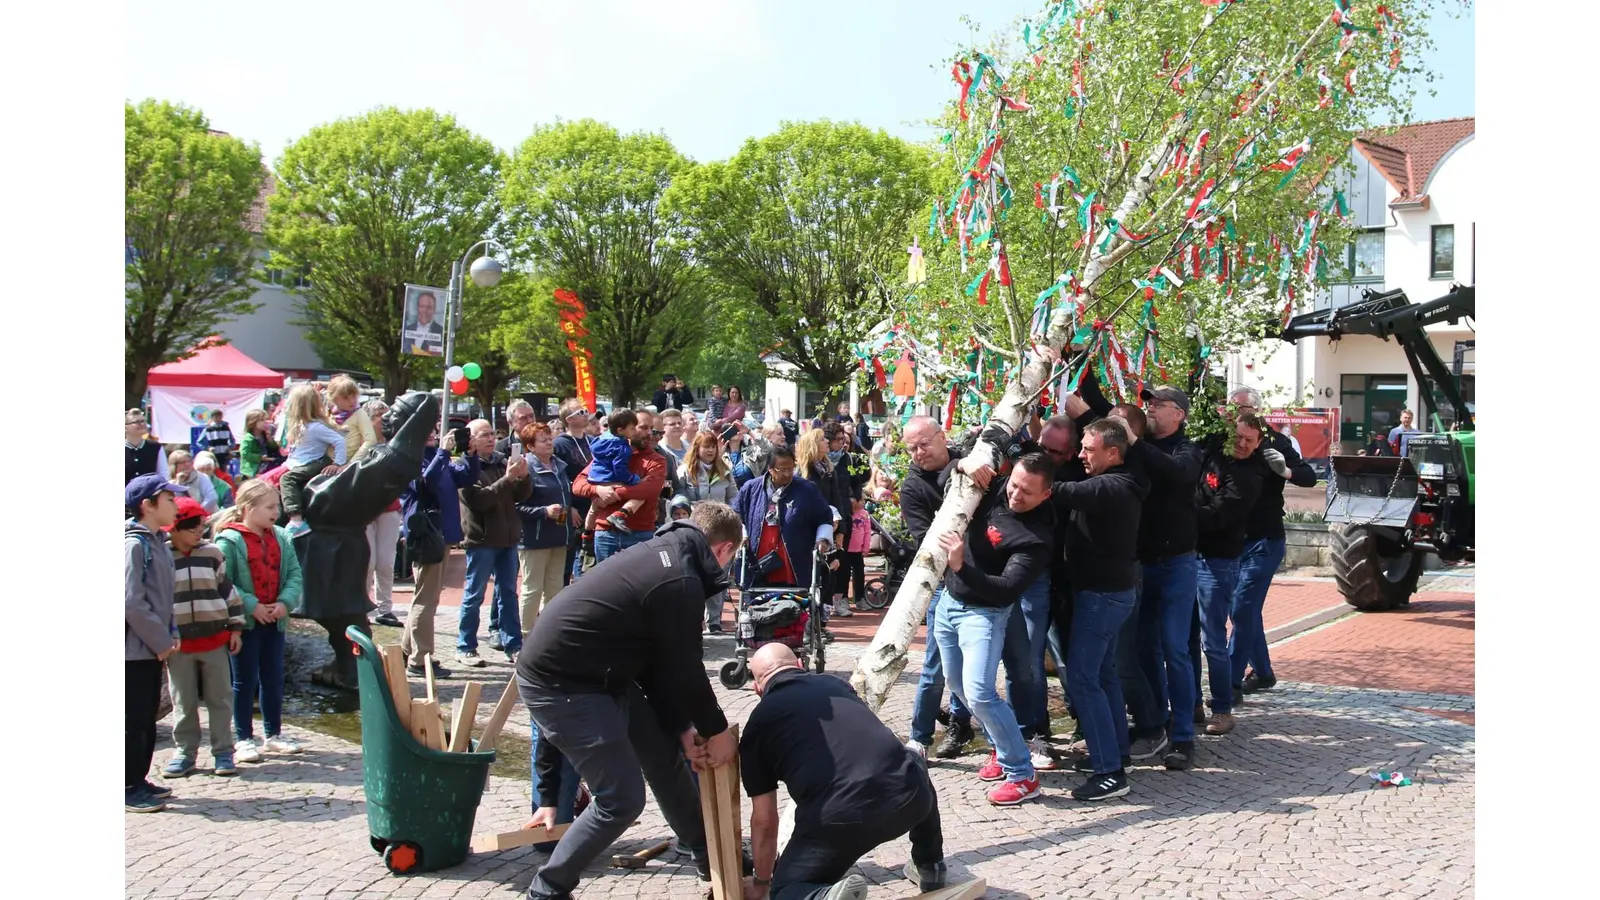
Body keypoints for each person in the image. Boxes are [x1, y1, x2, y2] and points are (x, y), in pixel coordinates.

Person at [517, 504, 745, 900]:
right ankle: (548, 887)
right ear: (724, 549)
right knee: (620, 800)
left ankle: (708, 851)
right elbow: (686, 669)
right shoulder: (679, 578)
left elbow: (656, 664)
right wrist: (715, 730)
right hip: (564, 684)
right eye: (732, 559)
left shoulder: (667, 556)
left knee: (665, 755)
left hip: (600, 676)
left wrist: (681, 726)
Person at [741, 644, 947, 900]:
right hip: (907, 796)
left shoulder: (756, 729)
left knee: (785, 890)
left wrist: (762, 883)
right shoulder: (834, 685)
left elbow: (764, 820)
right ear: (799, 666)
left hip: (839, 822)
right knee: (912, 762)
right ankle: (930, 865)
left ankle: (824, 896)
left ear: (757, 688)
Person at [934, 452, 1056, 806]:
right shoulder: (993, 487)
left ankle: (1022, 774)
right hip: (948, 604)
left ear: (1045, 494)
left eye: (1027, 492)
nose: (1016, 495)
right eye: (1015, 485)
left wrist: (960, 566)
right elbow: (944, 483)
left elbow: (1006, 590)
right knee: (957, 685)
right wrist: (960, 465)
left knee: (980, 692)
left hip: (984, 614)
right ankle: (1000, 747)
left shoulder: (1036, 537)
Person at [1052, 419, 1147, 800]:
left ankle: (1110, 773)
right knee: (1103, 675)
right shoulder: (1122, 480)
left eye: (1088, 450)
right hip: (1107, 593)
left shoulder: (1112, 485)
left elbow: (1061, 491)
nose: (1080, 455)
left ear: (1113, 452)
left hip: (1103, 597)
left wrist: (1022, 474)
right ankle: (1114, 754)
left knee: (1083, 678)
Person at [1128, 385, 1205, 771]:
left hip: (1177, 563)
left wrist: (1134, 443)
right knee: (1144, 648)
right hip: (1142, 564)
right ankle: (1154, 724)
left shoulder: (1188, 450)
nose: (1151, 409)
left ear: (1180, 414)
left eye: (1160, 404)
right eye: (1149, 403)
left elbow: (1178, 475)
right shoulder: (1137, 444)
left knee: (1175, 647)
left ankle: (1184, 735)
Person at [898, 415, 976, 761]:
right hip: (946, 582)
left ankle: (961, 722)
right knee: (936, 663)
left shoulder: (971, 460)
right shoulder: (913, 487)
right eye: (911, 448)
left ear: (942, 436)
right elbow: (925, 539)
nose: (918, 453)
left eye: (924, 443)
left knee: (971, 663)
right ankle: (920, 737)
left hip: (984, 577)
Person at [1230, 387, 1317, 696]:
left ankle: (1230, 682)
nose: (1236, 414)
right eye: (1233, 408)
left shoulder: (1276, 441)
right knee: (1244, 611)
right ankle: (1264, 673)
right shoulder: (1226, 440)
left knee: (1242, 610)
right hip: (1230, 540)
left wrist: (1286, 469)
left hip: (1264, 540)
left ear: (1257, 411)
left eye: (1242, 409)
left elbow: (1309, 477)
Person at [215, 479, 305, 765]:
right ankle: (243, 738)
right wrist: (252, 606)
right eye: (269, 506)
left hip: (274, 620)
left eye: (277, 506)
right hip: (246, 623)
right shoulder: (228, 540)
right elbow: (223, 580)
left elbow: (294, 574)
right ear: (247, 508)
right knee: (243, 681)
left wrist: (284, 603)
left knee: (273, 678)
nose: (275, 512)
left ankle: (274, 733)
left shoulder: (281, 537)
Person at [1194, 413, 1268, 738]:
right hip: (1187, 557)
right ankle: (1191, 703)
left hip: (1218, 564)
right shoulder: (1213, 453)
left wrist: (1178, 510)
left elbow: (1215, 517)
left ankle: (1222, 708)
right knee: (1182, 639)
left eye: (1248, 440)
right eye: (1237, 436)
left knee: (1212, 640)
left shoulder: (1250, 477)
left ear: (1259, 443)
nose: (1241, 444)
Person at [161, 496, 245, 780]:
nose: (198, 533)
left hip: (215, 639)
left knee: (219, 698)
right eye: (192, 528)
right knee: (183, 701)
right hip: (179, 644)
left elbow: (227, 590)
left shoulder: (211, 554)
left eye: (201, 527)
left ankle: (223, 751)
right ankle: (185, 752)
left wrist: (235, 627)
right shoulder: (163, 555)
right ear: (174, 528)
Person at [399, 426, 480, 679]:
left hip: (442, 535)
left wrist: (470, 455)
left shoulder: (436, 456)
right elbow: (427, 483)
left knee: (427, 595)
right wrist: (444, 452)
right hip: (426, 536)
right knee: (426, 598)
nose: (433, 433)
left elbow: (465, 477)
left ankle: (406, 648)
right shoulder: (410, 459)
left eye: (434, 429)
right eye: (427, 431)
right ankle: (420, 659)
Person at [126, 473, 184, 812]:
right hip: (133, 650)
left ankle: (139, 777)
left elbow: (165, 597)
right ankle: (126, 784)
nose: (175, 504)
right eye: (169, 499)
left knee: (147, 716)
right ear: (147, 505)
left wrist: (171, 632)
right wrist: (160, 640)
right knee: (132, 718)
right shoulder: (133, 544)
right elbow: (132, 601)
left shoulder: (158, 543)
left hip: (153, 646)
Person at [457, 419, 532, 667]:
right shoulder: (465, 467)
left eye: (492, 434)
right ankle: (466, 646)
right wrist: (508, 479)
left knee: (508, 593)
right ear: (472, 440)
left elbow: (521, 496)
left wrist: (523, 477)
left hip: (508, 538)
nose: (491, 438)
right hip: (482, 540)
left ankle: (513, 645)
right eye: (484, 435)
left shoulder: (501, 461)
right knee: (474, 594)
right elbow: (479, 501)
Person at [732, 446, 836, 593]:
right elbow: (736, 516)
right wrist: (742, 536)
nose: (787, 473)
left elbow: (825, 517)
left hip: (794, 559)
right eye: (782, 469)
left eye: (791, 468)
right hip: (758, 561)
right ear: (770, 469)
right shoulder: (750, 489)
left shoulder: (807, 489)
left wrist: (822, 539)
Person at [573, 410, 669, 564]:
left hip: (640, 533)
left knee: (640, 586)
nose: (649, 433)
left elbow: (649, 490)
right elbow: (578, 485)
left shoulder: (657, 460)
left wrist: (612, 492)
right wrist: (598, 490)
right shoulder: (610, 452)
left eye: (651, 428)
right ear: (624, 428)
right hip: (606, 533)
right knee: (607, 586)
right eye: (643, 427)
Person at [514, 422, 574, 639]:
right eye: (543, 439)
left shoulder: (560, 465)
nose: (550, 442)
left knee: (555, 589)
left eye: (550, 438)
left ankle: (550, 635)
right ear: (530, 446)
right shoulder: (525, 468)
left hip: (559, 536)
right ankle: (526, 635)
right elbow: (515, 506)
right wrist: (544, 512)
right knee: (532, 589)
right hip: (534, 539)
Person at [278, 383, 348, 537]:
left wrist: (338, 463)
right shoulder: (302, 426)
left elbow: (339, 441)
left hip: (313, 462)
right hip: (298, 461)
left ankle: (296, 519)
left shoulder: (315, 427)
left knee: (287, 479)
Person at [796, 429, 853, 618]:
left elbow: (837, 500)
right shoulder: (801, 472)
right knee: (811, 574)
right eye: (822, 440)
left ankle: (822, 619)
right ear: (812, 445)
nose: (827, 442)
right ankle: (808, 617)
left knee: (829, 572)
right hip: (807, 529)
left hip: (829, 525)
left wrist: (841, 530)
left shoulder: (829, 469)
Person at [363, 400, 404, 628]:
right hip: (366, 509)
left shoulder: (395, 444)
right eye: (379, 414)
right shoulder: (361, 444)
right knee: (368, 562)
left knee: (386, 562)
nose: (384, 419)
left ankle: (385, 608)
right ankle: (364, 606)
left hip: (389, 508)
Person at [581, 409, 647, 534]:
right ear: (620, 430)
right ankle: (619, 515)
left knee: (595, 507)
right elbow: (619, 468)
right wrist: (633, 479)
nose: (635, 431)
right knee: (641, 494)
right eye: (632, 428)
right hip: (608, 479)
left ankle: (587, 533)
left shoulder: (600, 439)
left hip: (595, 478)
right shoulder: (622, 447)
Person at [551, 401, 595, 584]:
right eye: (581, 412)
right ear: (569, 419)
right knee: (569, 559)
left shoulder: (592, 441)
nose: (586, 414)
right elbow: (558, 479)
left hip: (592, 506)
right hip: (573, 509)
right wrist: (570, 507)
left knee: (588, 556)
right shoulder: (559, 444)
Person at [328, 375, 380, 463]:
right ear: (334, 399)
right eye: (345, 398)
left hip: (347, 463)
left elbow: (370, 440)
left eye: (354, 396)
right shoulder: (330, 414)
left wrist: (351, 464)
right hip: (329, 461)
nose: (352, 401)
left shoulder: (359, 414)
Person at [168, 449, 220, 514]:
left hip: (206, 515)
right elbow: (175, 502)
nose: (187, 464)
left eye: (189, 461)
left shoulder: (202, 477)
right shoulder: (170, 484)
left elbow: (212, 498)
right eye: (182, 462)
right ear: (174, 465)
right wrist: (179, 484)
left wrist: (198, 512)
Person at [126, 409, 169, 484]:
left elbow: (163, 475)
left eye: (143, 421)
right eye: (136, 422)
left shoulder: (155, 447)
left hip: (150, 494)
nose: (142, 424)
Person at [239, 409, 284, 478]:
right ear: (253, 422)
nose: (266, 422)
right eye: (262, 420)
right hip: (253, 469)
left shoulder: (263, 435)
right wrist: (260, 458)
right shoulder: (248, 438)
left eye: (266, 419)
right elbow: (245, 454)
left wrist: (269, 439)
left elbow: (274, 448)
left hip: (265, 464)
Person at [402, 290, 445, 356]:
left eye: (428, 307)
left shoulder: (441, 332)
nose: (424, 311)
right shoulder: (407, 330)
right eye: (422, 306)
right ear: (417, 308)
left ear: (434, 310)